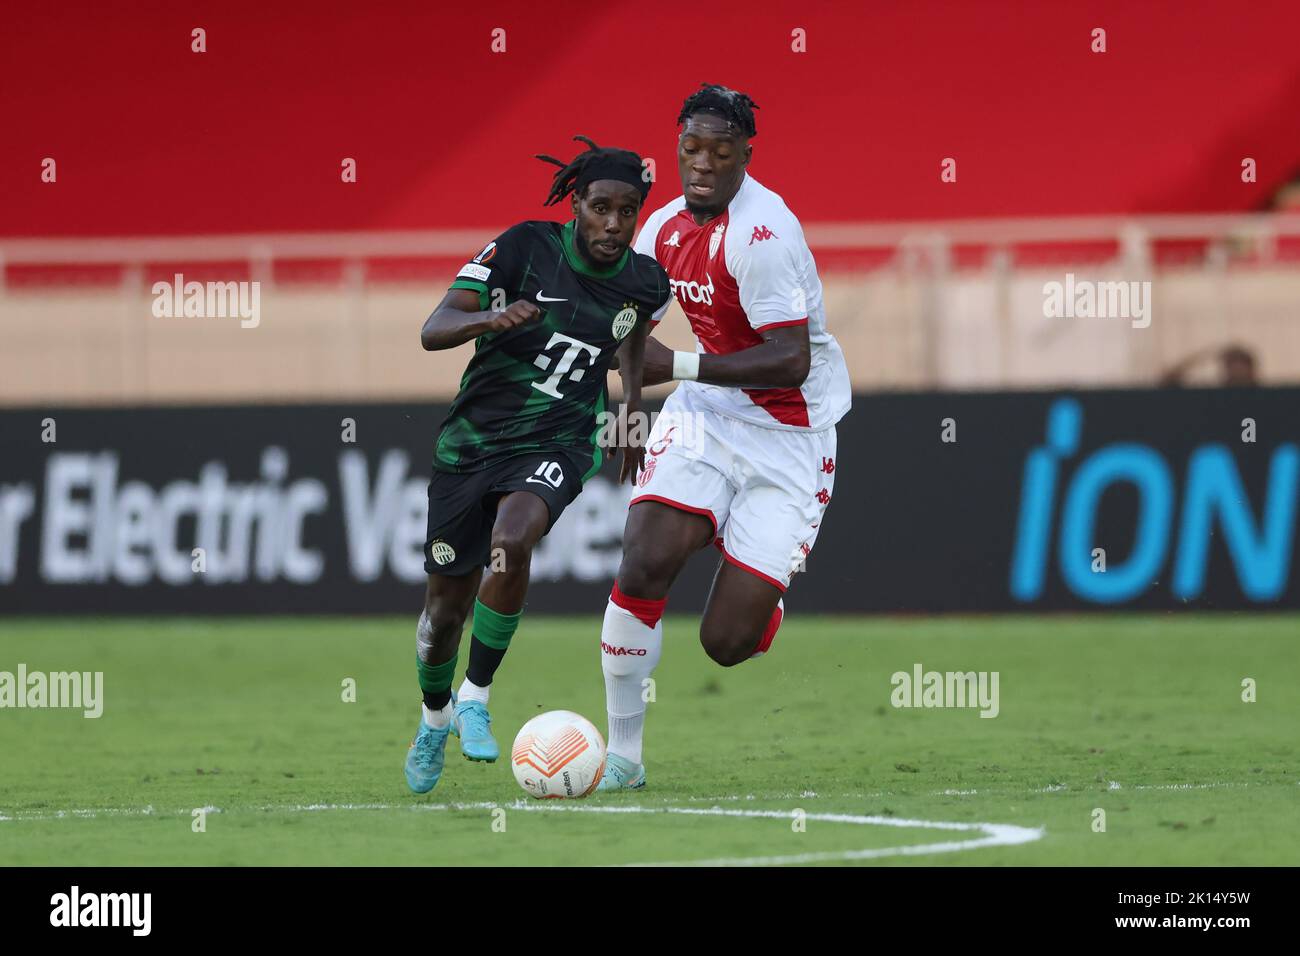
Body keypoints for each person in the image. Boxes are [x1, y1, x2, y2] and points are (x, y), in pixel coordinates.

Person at [595, 84, 852, 790]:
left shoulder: (764, 234)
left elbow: (790, 358)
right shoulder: (662, 229)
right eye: (691, 148)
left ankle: (758, 597)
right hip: (707, 413)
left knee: (725, 644)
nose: (703, 163)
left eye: (720, 150)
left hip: (791, 434)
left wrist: (672, 366)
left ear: (746, 154)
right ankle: (624, 758)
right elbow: (629, 329)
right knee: (644, 559)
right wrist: (625, 409)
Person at [405, 138, 669, 794]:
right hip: (472, 444)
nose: (613, 224)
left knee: (514, 539)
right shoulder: (525, 247)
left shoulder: (643, 281)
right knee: (443, 616)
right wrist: (492, 319)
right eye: (601, 208)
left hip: (558, 441)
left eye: (627, 211)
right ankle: (434, 718)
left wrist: (631, 411)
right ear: (577, 204)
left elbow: (631, 344)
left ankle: (475, 696)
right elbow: (433, 328)